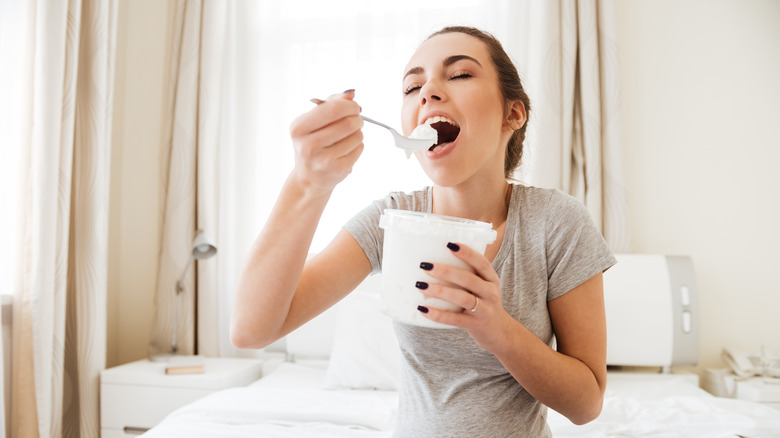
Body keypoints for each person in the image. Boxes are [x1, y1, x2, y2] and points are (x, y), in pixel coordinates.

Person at [231, 26, 616, 437]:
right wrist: (308, 183)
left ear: (513, 114)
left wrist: (497, 330)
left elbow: (586, 404)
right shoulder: (393, 219)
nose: (427, 92)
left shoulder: (556, 222)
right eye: (413, 86)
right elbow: (252, 330)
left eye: (460, 74)